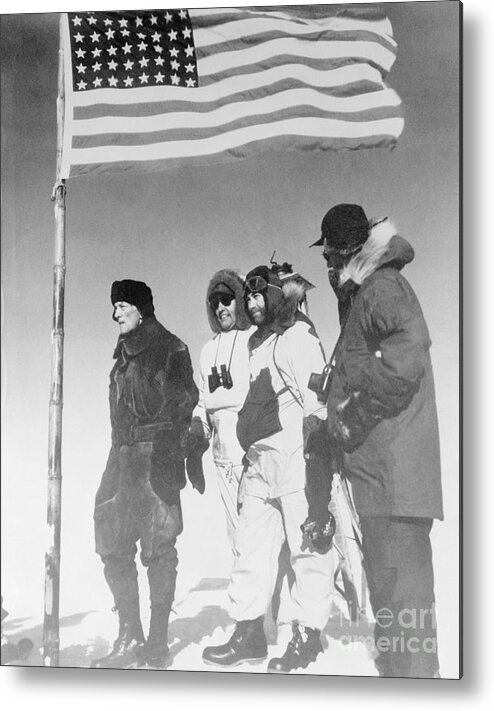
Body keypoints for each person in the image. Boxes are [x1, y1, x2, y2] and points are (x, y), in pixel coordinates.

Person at [311, 203, 443, 678]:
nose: (326, 267)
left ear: (347, 252)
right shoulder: (365, 295)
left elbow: (407, 358)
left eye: (329, 257)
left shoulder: (381, 288)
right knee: (395, 620)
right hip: (380, 482)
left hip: (395, 480)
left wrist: (355, 414)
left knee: (407, 625)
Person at [202, 266, 335, 673]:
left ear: (277, 296)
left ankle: (307, 634)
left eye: (261, 296)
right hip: (260, 463)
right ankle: (249, 632)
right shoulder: (256, 345)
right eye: (250, 298)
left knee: (307, 551)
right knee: (251, 549)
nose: (253, 304)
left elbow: (316, 405)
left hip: (296, 461)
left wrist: (318, 469)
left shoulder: (297, 337)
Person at [91, 279, 199, 670]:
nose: (116, 313)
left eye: (122, 305)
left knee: (159, 549)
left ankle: (156, 643)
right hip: (121, 458)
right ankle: (129, 634)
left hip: (156, 457)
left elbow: (185, 402)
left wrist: (168, 456)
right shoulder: (122, 357)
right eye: (114, 306)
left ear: (141, 308)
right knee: (111, 543)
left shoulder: (169, 348)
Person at [186, 269, 254, 546]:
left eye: (227, 299)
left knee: (258, 527)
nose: (221, 308)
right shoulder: (207, 351)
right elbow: (203, 401)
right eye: (215, 302)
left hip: (250, 446)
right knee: (235, 530)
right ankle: (244, 585)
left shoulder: (253, 338)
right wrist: (194, 442)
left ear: (239, 300)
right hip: (222, 453)